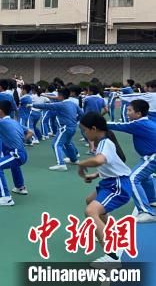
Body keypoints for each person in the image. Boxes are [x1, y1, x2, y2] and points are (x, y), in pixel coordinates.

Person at [77, 112, 134, 264]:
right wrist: (95, 175)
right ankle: (111, 231)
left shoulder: (105, 142)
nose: (84, 133)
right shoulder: (103, 142)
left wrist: (81, 164)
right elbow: (110, 163)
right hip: (110, 182)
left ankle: (112, 258)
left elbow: (99, 160)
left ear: (93, 128)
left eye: (84, 130)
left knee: (91, 212)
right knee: (90, 200)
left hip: (117, 185)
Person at [107, 100, 156, 223]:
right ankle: (151, 199)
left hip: (152, 156)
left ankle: (146, 211)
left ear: (138, 113)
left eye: (129, 110)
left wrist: (97, 122)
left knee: (132, 179)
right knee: (145, 177)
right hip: (150, 156)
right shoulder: (146, 122)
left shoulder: (139, 124)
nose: (127, 113)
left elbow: (118, 126)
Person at [33, 88, 84, 171]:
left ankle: (61, 164)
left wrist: (32, 105)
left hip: (64, 128)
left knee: (56, 144)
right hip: (72, 127)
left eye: (58, 95)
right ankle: (74, 160)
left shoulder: (61, 104)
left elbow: (47, 106)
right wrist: (75, 121)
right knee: (68, 143)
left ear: (61, 96)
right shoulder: (73, 104)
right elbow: (81, 114)